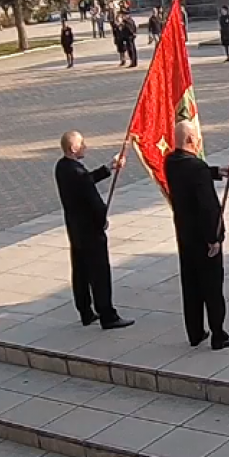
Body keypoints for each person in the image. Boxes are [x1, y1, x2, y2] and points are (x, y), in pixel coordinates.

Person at [163, 120, 229, 350]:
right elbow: (208, 208)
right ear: (190, 139)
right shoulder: (195, 167)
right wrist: (215, 238)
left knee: (191, 285)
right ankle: (219, 334)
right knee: (212, 286)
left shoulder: (171, 161)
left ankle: (196, 332)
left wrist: (217, 172)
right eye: (197, 136)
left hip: (185, 236)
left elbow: (193, 173)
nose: (199, 139)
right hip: (203, 239)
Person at [54, 131, 132, 329]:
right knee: (99, 273)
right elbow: (93, 198)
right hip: (90, 230)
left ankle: (85, 311)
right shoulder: (76, 172)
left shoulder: (63, 167)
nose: (85, 146)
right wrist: (102, 219)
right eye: (82, 144)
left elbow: (86, 181)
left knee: (80, 270)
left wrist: (108, 168)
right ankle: (107, 314)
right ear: (73, 149)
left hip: (75, 229)